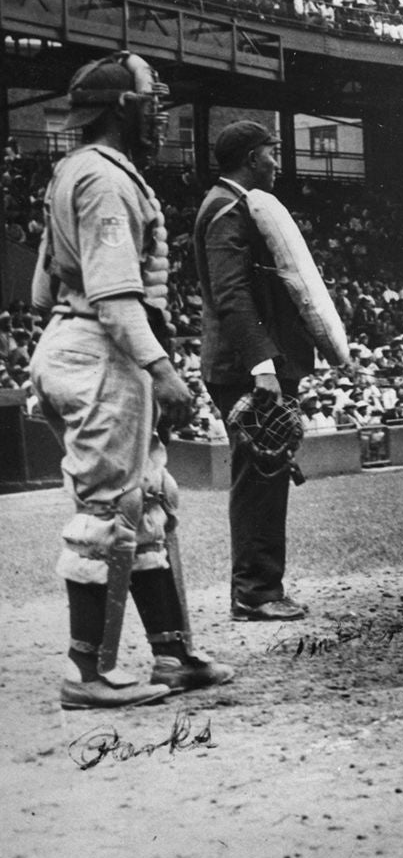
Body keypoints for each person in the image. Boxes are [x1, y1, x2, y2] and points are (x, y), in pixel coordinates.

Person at [29, 52, 233, 708]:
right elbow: (117, 299)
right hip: (104, 345)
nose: (159, 109)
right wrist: (161, 368)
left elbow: (41, 290)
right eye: (151, 98)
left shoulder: (74, 170)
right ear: (124, 106)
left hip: (78, 336)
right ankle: (86, 674)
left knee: (146, 499)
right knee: (108, 510)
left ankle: (172, 654)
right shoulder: (107, 181)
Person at [194, 121, 317, 621]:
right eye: (272, 150)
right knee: (261, 475)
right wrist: (263, 365)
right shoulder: (228, 209)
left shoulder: (234, 203)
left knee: (266, 473)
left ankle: (260, 588)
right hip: (248, 366)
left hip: (251, 362)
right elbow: (231, 295)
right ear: (250, 157)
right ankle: (256, 592)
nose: (276, 159)